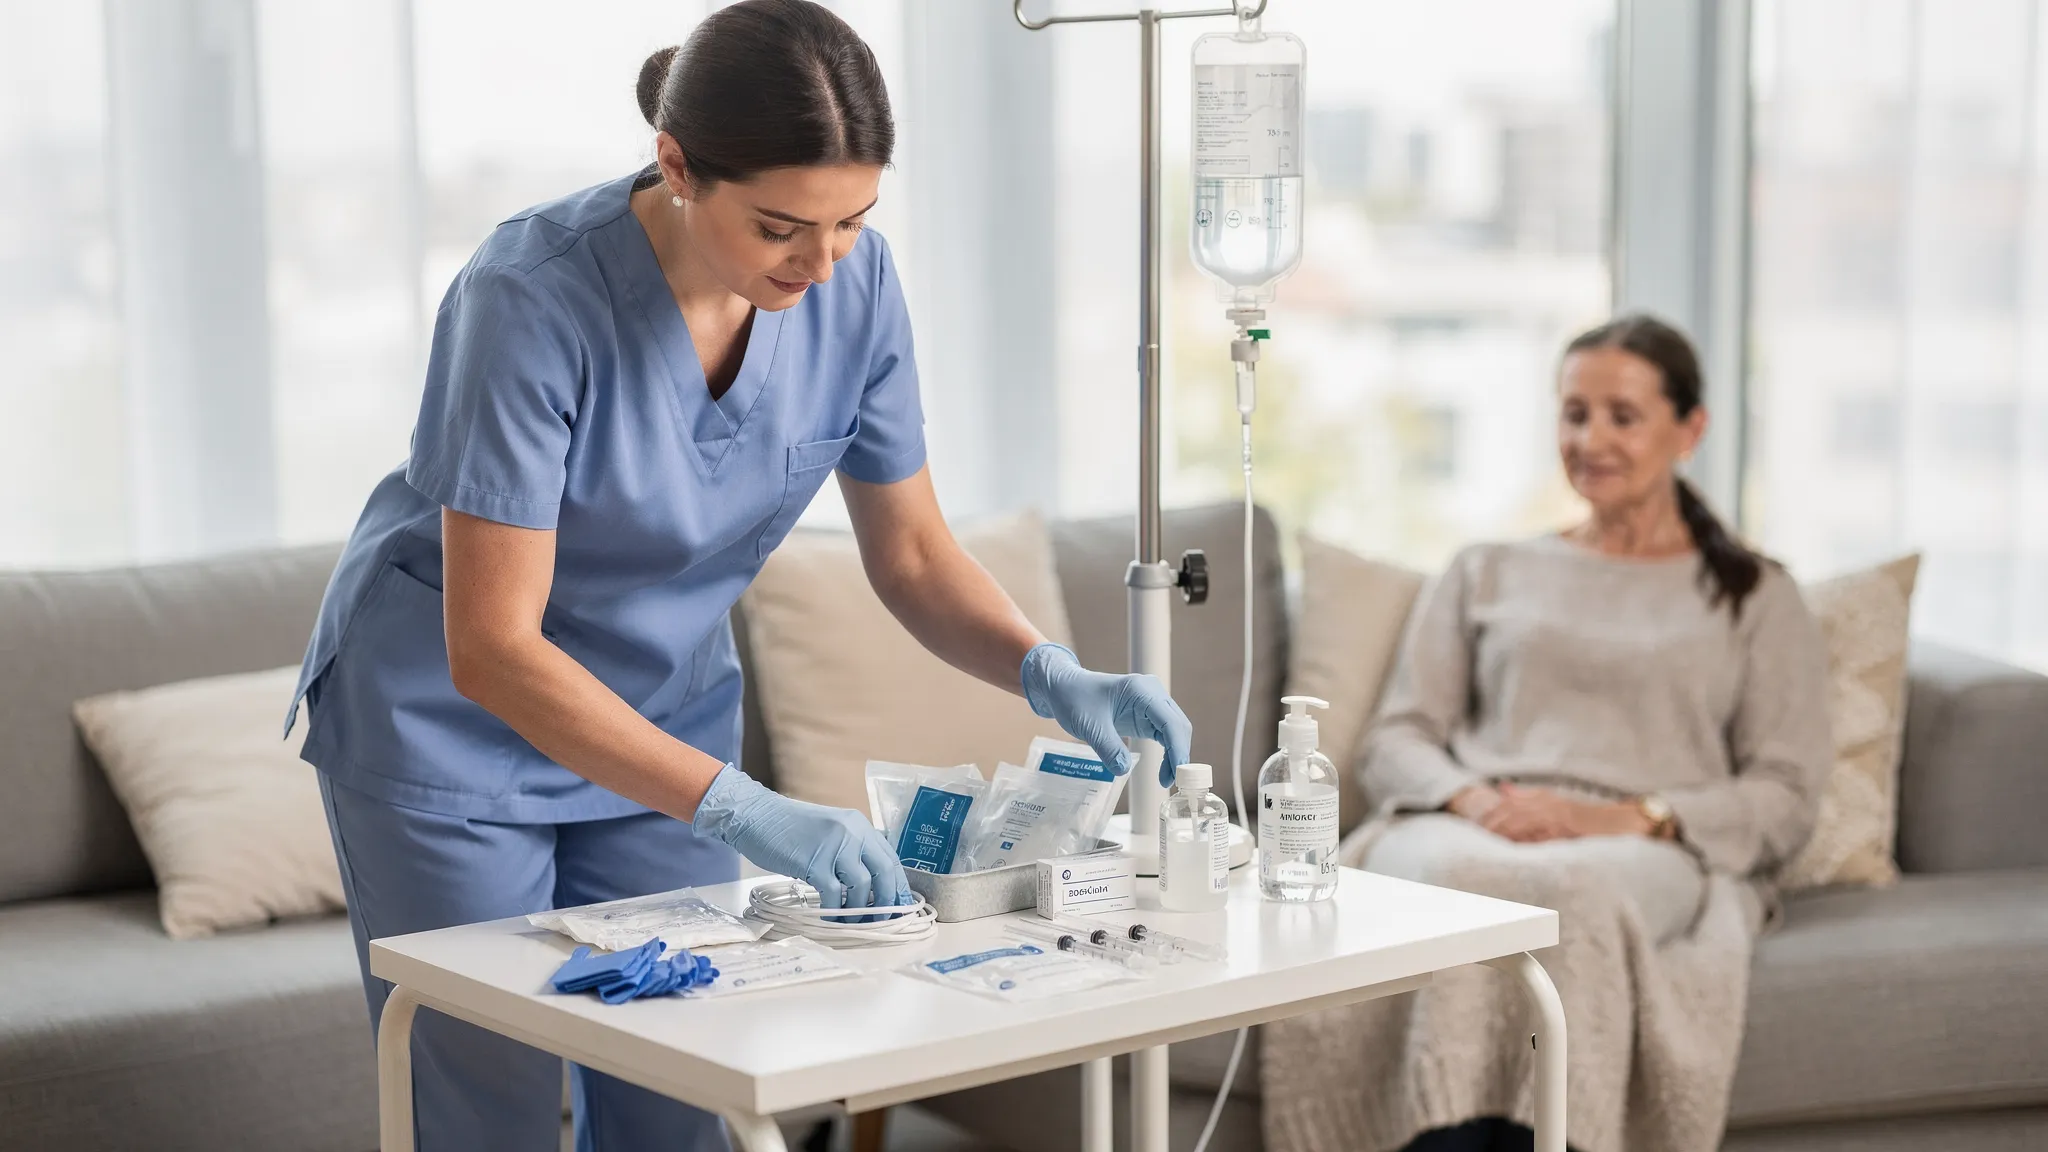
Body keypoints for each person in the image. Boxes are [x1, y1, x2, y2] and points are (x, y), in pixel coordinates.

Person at [286, 4, 1193, 1149]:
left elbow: (909, 552)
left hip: (659, 720)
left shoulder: (854, 289)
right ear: (676, 167)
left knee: (685, 1086)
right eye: (780, 228)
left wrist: (1046, 669)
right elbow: (496, 648)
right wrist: (741, 805)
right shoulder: (528, 298)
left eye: (852, 223)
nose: (820, 264)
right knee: (491, 1104)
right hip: (451, 731)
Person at [1256, 314, 1832, 1152]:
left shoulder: (1757, 596)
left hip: (1644, 844)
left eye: (1622, 416)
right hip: (1464, 819)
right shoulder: (1486, 569)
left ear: (1690, 429)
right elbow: (1397, 739)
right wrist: (1480, 801)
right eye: (1573, 413)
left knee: (1571, 897)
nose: (1590, 438)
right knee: (1452, 881)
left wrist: (1622, 818)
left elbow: (1784, 793)